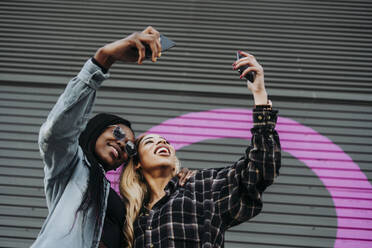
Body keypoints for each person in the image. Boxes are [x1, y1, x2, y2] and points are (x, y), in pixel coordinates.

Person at [31, 26, 194, 248]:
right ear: (98, 129)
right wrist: (104, 58)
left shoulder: (120, 197)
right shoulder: (69, 167)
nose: (121, 144)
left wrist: (175, 183)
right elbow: (56, 133)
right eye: (117, 132)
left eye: (129, 147)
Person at [119, 51, 282, 247]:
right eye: (150, 142)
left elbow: (259, 170)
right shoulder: (129, 217)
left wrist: (260, 95)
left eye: (165, 141)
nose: (162, 143)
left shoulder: (202, 187)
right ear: (136, 164)